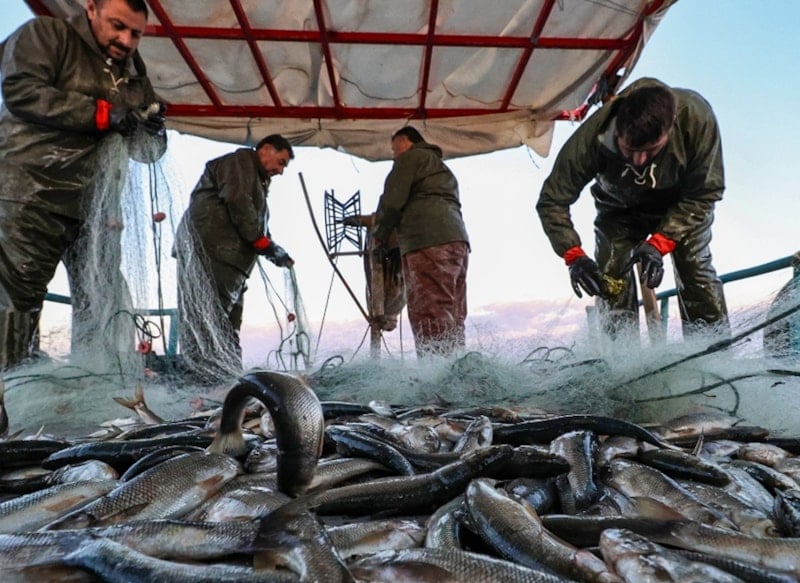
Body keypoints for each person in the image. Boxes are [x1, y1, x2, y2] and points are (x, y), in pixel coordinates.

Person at [0, 0, 167, 370]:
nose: (125, 40)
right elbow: (22, 91)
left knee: (100, 300)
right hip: (32, 192)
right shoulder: (48, 34)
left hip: (98, 209)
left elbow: (149, 151)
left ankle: (92, 391)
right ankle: (7, 403)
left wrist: (153, 130)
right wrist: (105, 113)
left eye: (135, 33)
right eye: (117, 26)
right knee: (17, 301)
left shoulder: (134, 73)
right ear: (91, 8)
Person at [536, 77, 729, 340]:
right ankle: (620, 364)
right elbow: (552, 199)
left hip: (682, 206)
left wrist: (660, 242)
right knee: (611, 277)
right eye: (629, 150)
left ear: (669, 131)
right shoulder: (595, 135)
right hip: (619, 210)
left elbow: (706, 191)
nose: (638, 161)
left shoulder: (697, 118)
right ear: (617, 130)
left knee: (695, 269)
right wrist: (574, 256)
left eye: (649, 151)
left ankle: (713, 356)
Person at [174, 135, 295, 382]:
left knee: (227, 327)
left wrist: (272, 248)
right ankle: (201, 383)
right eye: (281, 162)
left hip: (233, 263)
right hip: (210, 254)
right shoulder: (240, 162)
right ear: (266, 149)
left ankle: (225, 382)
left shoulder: (258, 183)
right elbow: (238, 202)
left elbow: (255, 222)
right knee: (205, 321)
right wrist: (263, 244)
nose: (281, 171)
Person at [371, 126, 470, 357]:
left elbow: (392, 201)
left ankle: (434, 378)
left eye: (394, 148)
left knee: (429, 311)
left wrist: (379, 236)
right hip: (456, 242)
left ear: (405, 141)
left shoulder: (411, 158)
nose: (394, 155)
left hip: (427, 242)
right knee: (453, 313)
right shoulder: (441, 169)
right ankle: (456, 371)